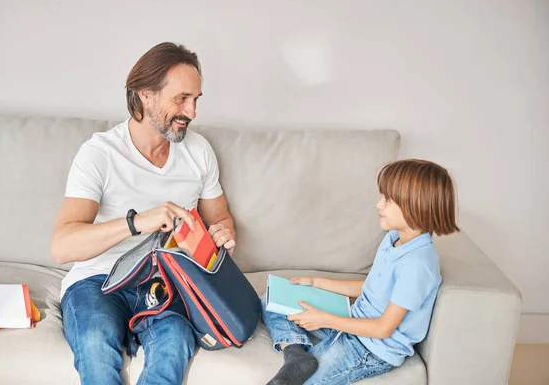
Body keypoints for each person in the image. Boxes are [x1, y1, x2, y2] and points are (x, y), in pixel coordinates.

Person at [50, 42, 236, 385]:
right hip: (98, 281)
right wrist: (136, 223)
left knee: (174, 345)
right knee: (95, 345)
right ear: (144, 94)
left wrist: (223, 233)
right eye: (181, 98)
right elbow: (62, 246)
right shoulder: (99, 154)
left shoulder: (199, 152)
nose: (192, 112)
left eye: (196, 99)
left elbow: (221, 218)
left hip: (165, 282)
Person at [262, 159, 460, 385]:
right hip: (353, 320)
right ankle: (295, 354)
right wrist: (317, 282)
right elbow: (372, 286)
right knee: (270, 298)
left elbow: (384, 328)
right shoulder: (394, 239)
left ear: (415, 205)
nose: (379, 205)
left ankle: (300, 361)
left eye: (387, 200)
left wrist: (324, 319)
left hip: (371, 348)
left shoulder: (418, 265)